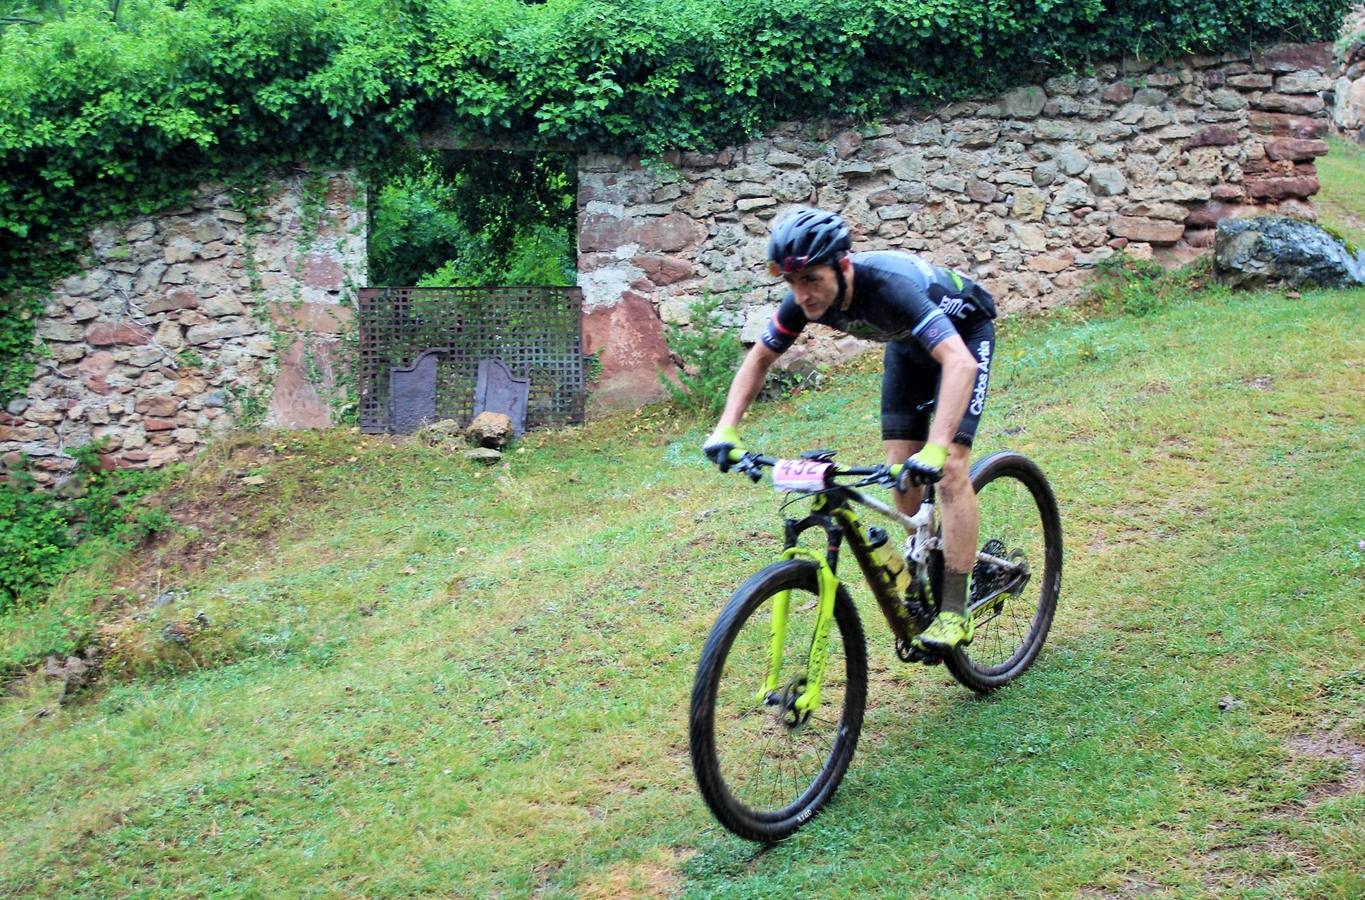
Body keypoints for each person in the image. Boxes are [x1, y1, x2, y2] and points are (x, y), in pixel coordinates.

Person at [702, 207, 998, 653]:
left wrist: (937, 447)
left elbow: (959, 363)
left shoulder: (890, 286)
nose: (802, 295)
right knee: (902, 477)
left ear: (842, 266)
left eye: (811, 280)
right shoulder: (805, 301)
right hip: (907, 349)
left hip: (964, 340)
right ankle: (923, 564)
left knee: (950, 467)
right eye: (790, 282)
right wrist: (726, 429)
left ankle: (955, 610)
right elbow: (760, 357)